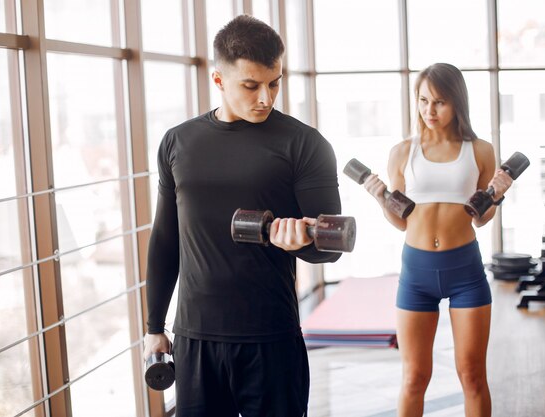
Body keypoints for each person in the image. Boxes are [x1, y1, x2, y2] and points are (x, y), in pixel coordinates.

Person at [142, 15, 343, 417]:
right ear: (219, 81)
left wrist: (304, 241)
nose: (266, 97)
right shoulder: (178, 142)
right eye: (251, 86)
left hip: (270, 338)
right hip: (195, 338)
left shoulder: (304, 144)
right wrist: (153, 329)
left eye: (275, 83)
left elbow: (331, 245)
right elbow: (166, 239)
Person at [363, 63, 512, 417]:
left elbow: (482, 217)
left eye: (440, 102)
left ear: (457, 102)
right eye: (423, 100)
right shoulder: (402, 152)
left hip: (466, 272)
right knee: (415, 377)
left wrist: (497, 195)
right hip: (416, 275)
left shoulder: (480, 150)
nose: (429, 110)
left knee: (472, 377)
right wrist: (380, 198)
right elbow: (400, 223)